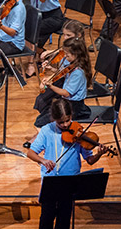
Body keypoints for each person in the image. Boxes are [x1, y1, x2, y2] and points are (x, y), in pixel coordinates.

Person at [26, 98, 107, 229]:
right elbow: (31, 153)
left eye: (67, 120)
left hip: (70, 181)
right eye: (60, 122)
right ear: (53, 118)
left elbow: (90, 161)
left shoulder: (79, 132)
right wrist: (43, 160)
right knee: (46, 217)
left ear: (71, 116)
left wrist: (99, 154)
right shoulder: (47, 131)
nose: (65, 125)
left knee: (64, 219)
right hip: (50, 181)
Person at [33, 38, 91, 128]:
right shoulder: (72, 65)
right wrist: (51, 69)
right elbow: (64, 74)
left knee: (41, 122)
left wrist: (51, 86)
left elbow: (66, 93)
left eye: (67, 55)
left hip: (74, 106)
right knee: (44, 109)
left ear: (76, 55)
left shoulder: (78, 73)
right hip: (67, 101)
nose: (65, 57)